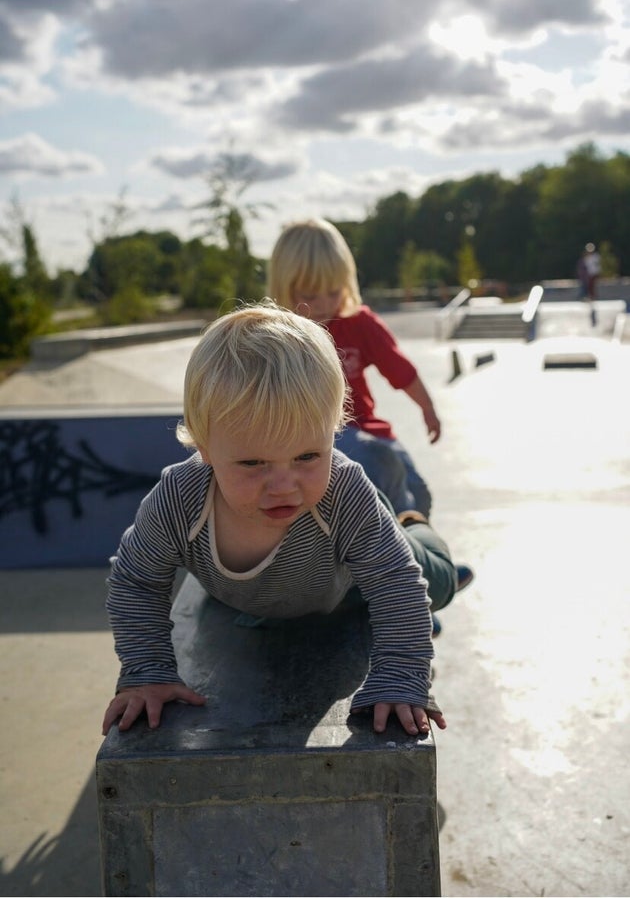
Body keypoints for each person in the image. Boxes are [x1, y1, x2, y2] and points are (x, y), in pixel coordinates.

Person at [102, 303, 466, 739]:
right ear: (203, 445)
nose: (284, 485)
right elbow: (136, 580)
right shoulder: (180, 501)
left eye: (307, 456)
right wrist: (146, 671)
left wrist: (401, 677)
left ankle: (416, 524)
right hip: (278, 599)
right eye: (253, 462)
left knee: (435, 584)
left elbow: (397, 586)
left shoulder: (342, 492)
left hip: (352, 581)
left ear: (333, 431)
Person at [267, 217, 439, 519]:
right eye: (309, 295)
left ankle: (425, 555)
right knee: (379, 470)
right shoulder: (276, 335)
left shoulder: (360, 324)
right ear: (284, 286)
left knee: (417, 491)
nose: (323, 304)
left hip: (369, 429)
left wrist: (426, 406)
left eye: (334, 292)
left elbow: (399, 369)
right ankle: (394, 557)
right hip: (314, 442)